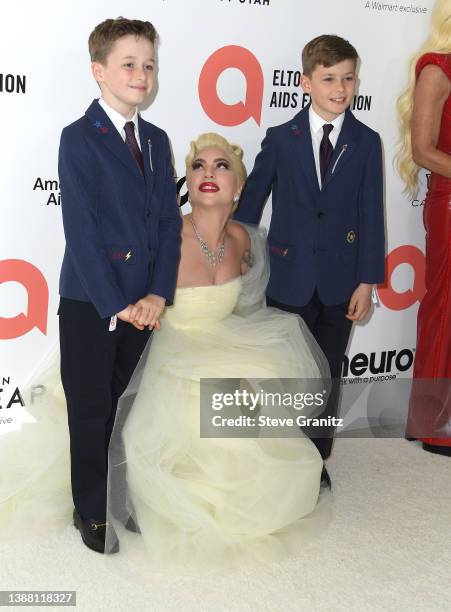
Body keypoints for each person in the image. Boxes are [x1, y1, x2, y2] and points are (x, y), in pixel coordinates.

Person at [105, 133, 331, 567]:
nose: (208, 173)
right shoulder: (161, 235)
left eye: (221, 166)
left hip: (221, 338)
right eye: (199, 166)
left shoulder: (245, 241)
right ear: (186, 182)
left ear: (239, 187)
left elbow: (247, 305)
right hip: (170, 347)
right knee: (203, 406)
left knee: (261, 378)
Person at [57, 17, 181, 553]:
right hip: (93, 302)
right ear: (99, 71)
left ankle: (122, 497)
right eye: (128, 64)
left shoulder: (156, 140)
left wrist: (157, 294)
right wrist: (118, 303)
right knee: (91, 409)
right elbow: (81, 233)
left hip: (146, 306)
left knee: (129, 410)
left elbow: (168, 226)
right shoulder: (78, 139)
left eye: (148, 65)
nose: (141, 74)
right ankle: (90, 509)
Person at [234, 35, 385, 471]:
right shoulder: (282, 139)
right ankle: (283, 458)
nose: (341, 88)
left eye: (349, 78)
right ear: (305, 83)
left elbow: (371, 214)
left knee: (327, 372)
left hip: (342, 281)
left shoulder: (366, 140)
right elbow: (250, 207)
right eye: (329, 79)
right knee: (286, 372)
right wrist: (237, 255)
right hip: (287, 277)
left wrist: (367, 281)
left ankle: (316, 461)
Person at [397, 0, 451, 456]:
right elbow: (422, 150)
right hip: (449, 202)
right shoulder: (437, 68)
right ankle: (431, 425)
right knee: (445, 306)